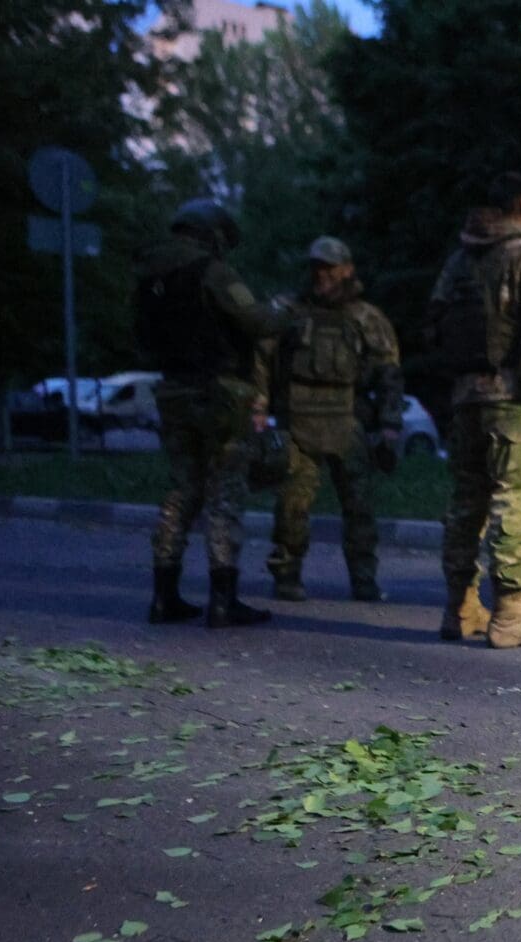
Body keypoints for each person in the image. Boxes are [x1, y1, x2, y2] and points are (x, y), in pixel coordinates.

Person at [429, 172, 521, 648]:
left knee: (465, 504)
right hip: (512, 398)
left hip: (464, 397)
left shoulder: (459, 257)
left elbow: (435, 319)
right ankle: (512, 613)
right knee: (512, 499)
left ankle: (460, 607)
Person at [134, 198, 290, 629]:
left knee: (183, 488)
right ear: (213, 235)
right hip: (219, 393)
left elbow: (143, 338)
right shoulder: (211, 271)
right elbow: (257, 321)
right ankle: (224, 599)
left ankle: (164, 596)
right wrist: (284, 311)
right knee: (225, 488)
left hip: (172, 391)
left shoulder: (151, 276)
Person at [264, 236, 404, 603]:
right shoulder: (288, 311)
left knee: (359, 506)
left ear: (347, 270)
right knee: (292, 505)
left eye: (329, 267)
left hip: (346, 419)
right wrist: (259, 410)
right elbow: (261, 362)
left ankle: (363, 578)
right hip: (297, 421)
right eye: (316, 266)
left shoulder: (365, 318)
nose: (321, 274)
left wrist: (389, 427)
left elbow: (389, 374)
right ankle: (287, 574)